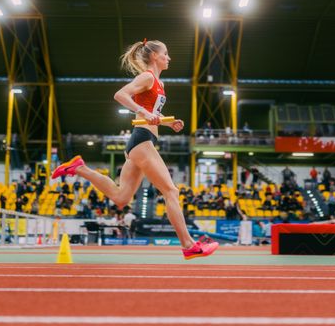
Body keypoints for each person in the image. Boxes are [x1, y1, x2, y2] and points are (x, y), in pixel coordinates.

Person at [51, 39, 218, 260]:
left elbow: (151, 112)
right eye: (165, 54)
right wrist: (143, 112)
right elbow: (120, 95)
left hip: (143, 141)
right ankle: (188, 244)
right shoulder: (147, 77)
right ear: (154, 57)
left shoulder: (160, 83)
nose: (169, 58)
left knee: (121, 198)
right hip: (142, 141)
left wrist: (168, 122)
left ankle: (80, 168)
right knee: (171, 191)